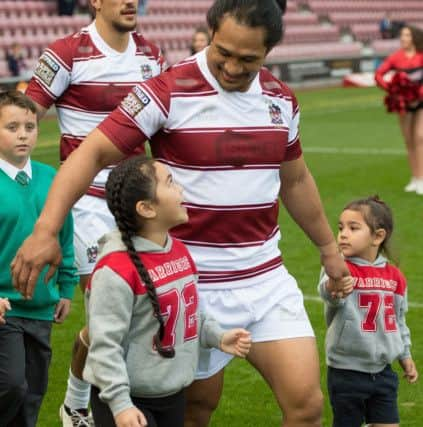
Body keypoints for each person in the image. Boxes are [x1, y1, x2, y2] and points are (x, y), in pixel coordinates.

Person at [12, 1, 350, 426]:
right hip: (188, 282)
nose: (230, 67)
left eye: (248, 60)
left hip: (265, 279)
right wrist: (46, 229)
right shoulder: (167, 89)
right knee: (194, 410)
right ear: (210, 31)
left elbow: (295, 180)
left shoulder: (281, 99)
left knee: (307, 406)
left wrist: (327, 248)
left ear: (269, 51)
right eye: (222, 52)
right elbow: (93, 151)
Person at [24, 0, 166, 424]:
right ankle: (89, 403)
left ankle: (82, 399)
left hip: (137, 204)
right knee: (108, 313)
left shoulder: (151, 57)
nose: (129, 2)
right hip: (86, 205)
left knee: (136, 313)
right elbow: (23, 114)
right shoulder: (66, 52)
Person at [83, 155, 251, 427]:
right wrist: (121, 405)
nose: (181, 189)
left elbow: (190, 313)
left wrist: (217, 336)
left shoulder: (179, 251)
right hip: (127, 402)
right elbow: (105, 347)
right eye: (170, 183)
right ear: (147, 208)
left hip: (172, 394)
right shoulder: (115, 271)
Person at [0, 90, 77, 427]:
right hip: (5, 309)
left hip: (42, 306)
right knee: (12, 385)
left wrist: (66, 287)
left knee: (32, 395)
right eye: (12, 127)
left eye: (29, 127)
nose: (23, 134)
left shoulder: (52, 179)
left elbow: (64, 235)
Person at [318, 196, 418, 427]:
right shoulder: (339, 268)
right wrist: (335, 286)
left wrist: (404, 355)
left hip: (383, 372)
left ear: (378, 236)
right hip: (346, 372)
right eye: (341, 227)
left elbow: (398, 320)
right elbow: (327, 292)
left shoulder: (395, 277)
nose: (343, 234)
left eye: (353, 228)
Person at [375, 25, 423, 195]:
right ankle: (415, 178)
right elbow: (378, 74)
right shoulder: (395, 58)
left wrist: (419, 94)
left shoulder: (421, 56)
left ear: (414, 38)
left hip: (420, 103)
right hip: (403, 104)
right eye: (402, 35)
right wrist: (392, 89)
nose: (403, 38)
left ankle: (422, 178)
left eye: (407, 35)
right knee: (409, 140)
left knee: (419, 137)